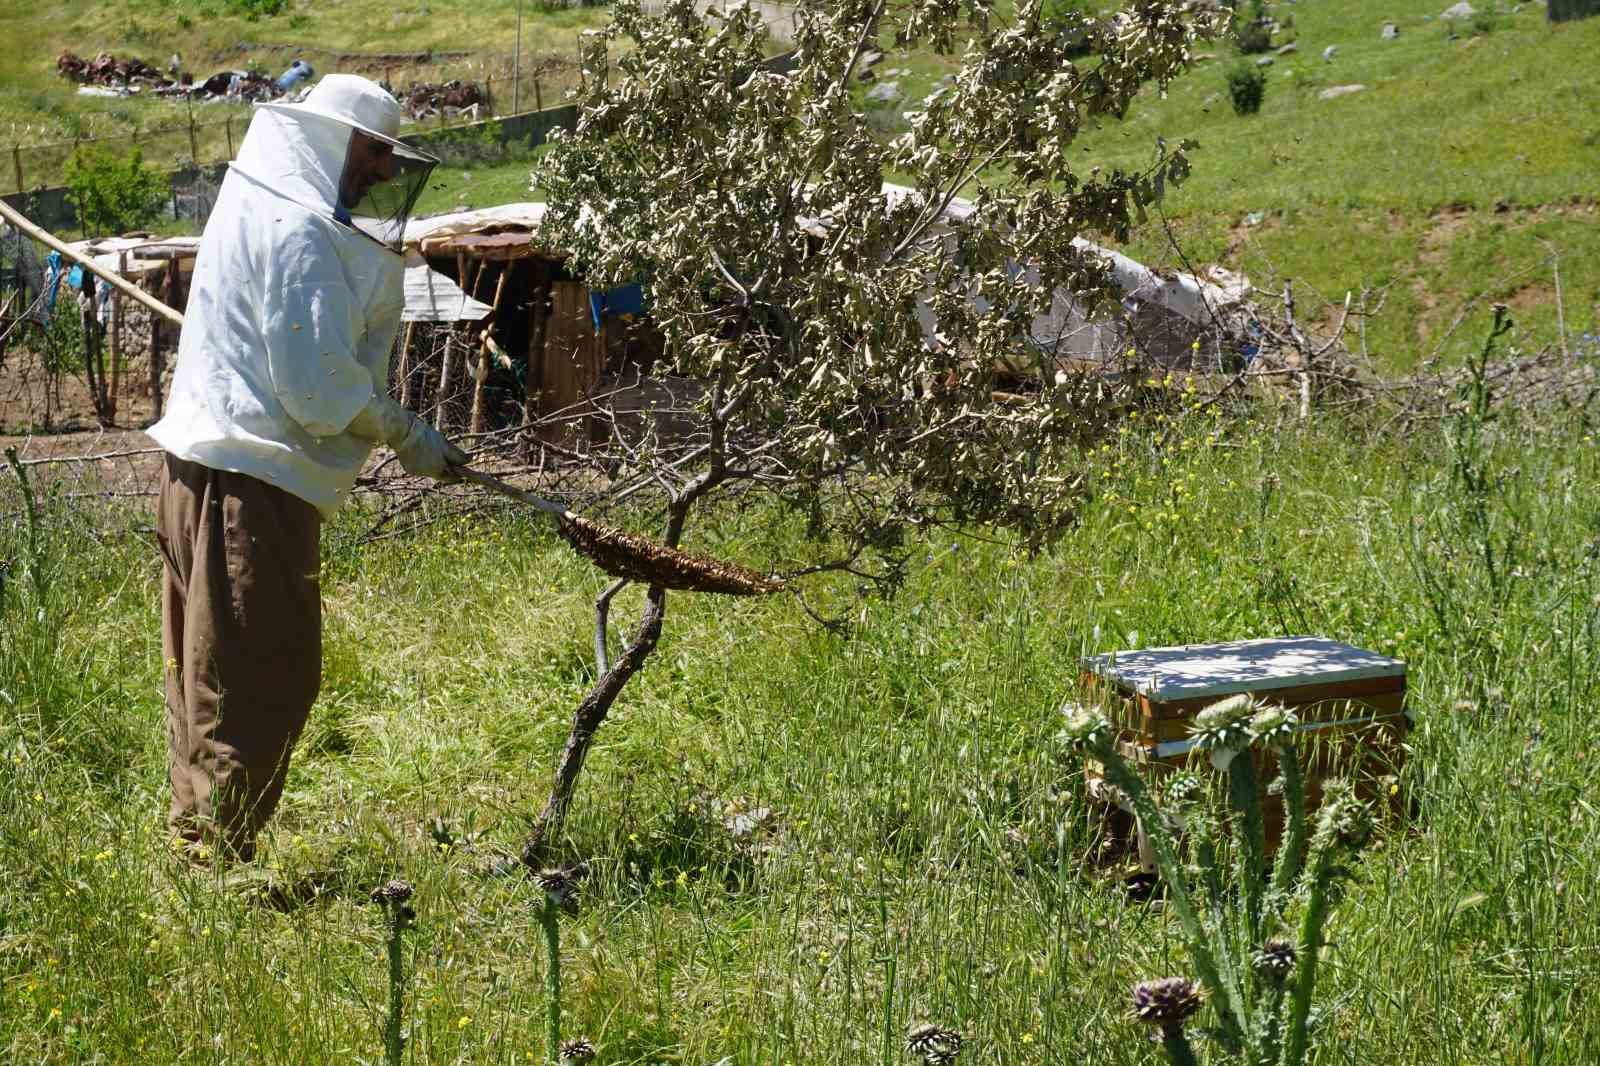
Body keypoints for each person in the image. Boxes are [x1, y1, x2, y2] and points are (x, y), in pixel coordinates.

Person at [146, 74, 465, 863]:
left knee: (206, 675)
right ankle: (220, 868)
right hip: (249, 485)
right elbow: (319, 386)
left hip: (204, 471)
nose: (386, 172)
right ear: (335, 140)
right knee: (261, 675)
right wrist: (402, 430)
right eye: (377, 151)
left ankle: (203, 853)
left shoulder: (257, 205)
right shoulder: (296, 228)